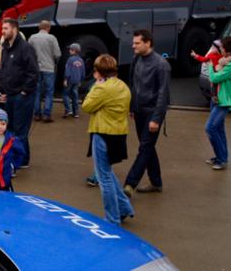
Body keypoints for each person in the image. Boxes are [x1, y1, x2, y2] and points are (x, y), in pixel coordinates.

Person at [81, 54, 134, 225]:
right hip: (118, 134)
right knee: (108, 173)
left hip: (103, 134)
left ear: (100, 71)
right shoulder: (123, 86)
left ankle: (112, 219)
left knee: (104, 178)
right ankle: (124, 207)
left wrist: (95, 86)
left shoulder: (102, 88)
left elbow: (87, 106)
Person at [123, 29, 171, 198]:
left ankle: (130, 184)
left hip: (152, 114)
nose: (133, 46)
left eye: (137, 43)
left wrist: (156, 119)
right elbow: (132, 84)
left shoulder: (161, 65)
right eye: (133, 42)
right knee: (147, 147)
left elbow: (163, 95)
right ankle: (156, 183)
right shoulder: (136, 59)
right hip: (138, 111)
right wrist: (131, 107)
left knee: (145, 147)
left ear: (148, 43)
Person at [0, 18, 38, 169]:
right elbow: (3, 70)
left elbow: (33, 72)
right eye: (3, 29)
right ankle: (21, 158)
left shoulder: (26, 48)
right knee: (12, 128)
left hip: (23, 97)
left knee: (20, 130)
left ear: (14, 29)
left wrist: (24, 91)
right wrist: (3, 90)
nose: (3, 31)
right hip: (10, 95)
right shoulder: (6, 47)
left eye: (6, 28)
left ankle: (18, 162)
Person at [204, 36, 231, 170]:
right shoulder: (225, 62)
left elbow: (214, 77)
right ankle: (221, 157)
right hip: (217, 99)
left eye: (221, 48)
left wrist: (210, 65)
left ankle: (221, 159)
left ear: (228, 51)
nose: (219, 49)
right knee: (219, 129)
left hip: (223, 101)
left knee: (210, 128)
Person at [28, 20, 61, 123]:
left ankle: (37, 114)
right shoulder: (52, 38)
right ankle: (46, 114)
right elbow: (57, 54)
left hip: (36, 68)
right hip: (49, 68)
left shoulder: (32, 38)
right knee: (49, 92)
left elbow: (28, 52)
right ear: (48, 28)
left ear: (39, 27)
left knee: (36, 91)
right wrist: (55, 62)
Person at [62, 43, 85, 119]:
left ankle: (68, 109)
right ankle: (76, 113)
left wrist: (65, 79)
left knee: (65, 94)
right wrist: (80, 80)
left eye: (70, 49)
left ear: (74, 51)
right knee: (75, 96)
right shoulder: (81, 60)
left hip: (70, 80)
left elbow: (67, 70)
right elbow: (83, 72)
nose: (69, 50)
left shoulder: (70, 59)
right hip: (77, 80)